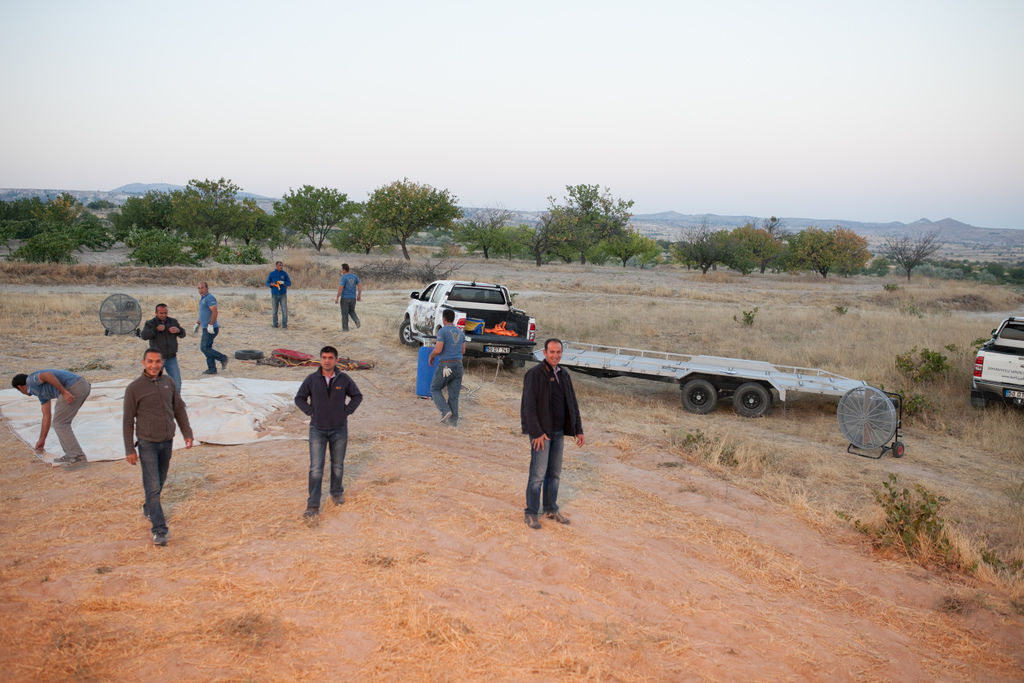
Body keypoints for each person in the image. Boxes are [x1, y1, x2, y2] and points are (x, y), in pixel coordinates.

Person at [123, 348, 194, 546]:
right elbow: (127, 420)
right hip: (147, 443)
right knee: (153, 486)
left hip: (167, 440)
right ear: (143, 363)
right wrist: (129, 449)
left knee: (160, 480)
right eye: (150, 361)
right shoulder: (134, 389)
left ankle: (149, 507)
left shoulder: (168, 383)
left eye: (157, 362)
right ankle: (159, 530)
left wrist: (187, 433)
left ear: (162, 363)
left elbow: (179, 408)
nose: (154, 365)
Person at [520, 338, 584, 530]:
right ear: (544, 353)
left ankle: (550, 508)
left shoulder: (563, 374)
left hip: (558, 433)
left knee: (554, 474)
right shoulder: (534, 374)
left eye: (558, 352)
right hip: (542, 434)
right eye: (552, 352)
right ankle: (531, 513)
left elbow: (572, 403)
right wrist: (537, 432)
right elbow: (528, 406)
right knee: (538, 474)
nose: (555, 355)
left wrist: (578, 429)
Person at [294, 345, 363, 519]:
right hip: (317, 429)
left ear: (336, 360)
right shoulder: (312, 379)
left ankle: (336, 492)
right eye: (324, 357)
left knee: (337, 465)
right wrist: (310, 411)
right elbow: (299, 398)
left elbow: (357, 396)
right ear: (320, 359)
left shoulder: (344, 379)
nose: (327, 361)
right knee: (316, 468)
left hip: (339, 429)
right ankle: (313, 504)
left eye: (330, 358)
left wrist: (346, 411)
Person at [11, 369, 92, 465]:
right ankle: (71, 455)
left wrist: (64, 392)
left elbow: (47, 375)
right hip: (81, 386)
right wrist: (42, 440)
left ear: (20, 387)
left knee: (60, 423)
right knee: (60, 423)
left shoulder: (30, 380)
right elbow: (46, 416)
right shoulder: (40, 393)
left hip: (74, 386)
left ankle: (77, 456)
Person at [428, 308, 465, 427]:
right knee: (454, 395)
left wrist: (431, 356)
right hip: (458, 365)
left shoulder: (443, 331)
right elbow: (463, 350)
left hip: (446, 365)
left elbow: (438, 350)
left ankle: (445, 411)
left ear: (443, 319)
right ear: (453, 319)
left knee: (435, 388)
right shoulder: (460, 332)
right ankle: (453, 423)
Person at [140, 303, 186, 392]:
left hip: (171, 358)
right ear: (156, 313)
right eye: (161, 313)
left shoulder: (173, 321)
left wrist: (178, 330)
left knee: (177, 383)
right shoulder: (150, 323)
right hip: (157, 360)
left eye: (165, 313)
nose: (164, 315)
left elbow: (183, 334)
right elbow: (144, 336)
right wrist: (156, 329)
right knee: (153, 383)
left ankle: (175, 403)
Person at [196, 281, 228, 375]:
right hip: (205, 327)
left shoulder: (209, 298)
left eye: (202, 288)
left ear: (207, 288)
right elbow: (203, 313)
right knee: (208, 348)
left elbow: (215, 312)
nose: (200, 290)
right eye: (199, 288)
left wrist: (210, 324)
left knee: (204, 347)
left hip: (211, 328)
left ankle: (223, 358)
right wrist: (198, 323)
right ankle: (212, 369)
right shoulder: (202, 298)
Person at [335, 263, 361, 331]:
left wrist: (337, 297)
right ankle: (357, 321)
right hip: (353, 298)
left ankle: (345, 329)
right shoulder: (355, 276)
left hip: (345, 298)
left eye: (342, 269)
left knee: (344, 313)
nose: (341, 271)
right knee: (352, 311)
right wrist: (359, 295)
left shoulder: (344, 277)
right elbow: (359, 286)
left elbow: (341, 288)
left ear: (344, 270)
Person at [266, 260, 292, 329]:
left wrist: (283, 282)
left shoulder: (285, 274)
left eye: (282, 265)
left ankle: (284, 325)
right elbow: (267, 283)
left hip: (283, 294)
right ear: (276, 266)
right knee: (274, 311)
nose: (281, 266)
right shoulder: (272, 274)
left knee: (284, 310)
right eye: (280, 265)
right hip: (274, 294)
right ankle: (275, 325)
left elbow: (289, 283)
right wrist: (271, 284)